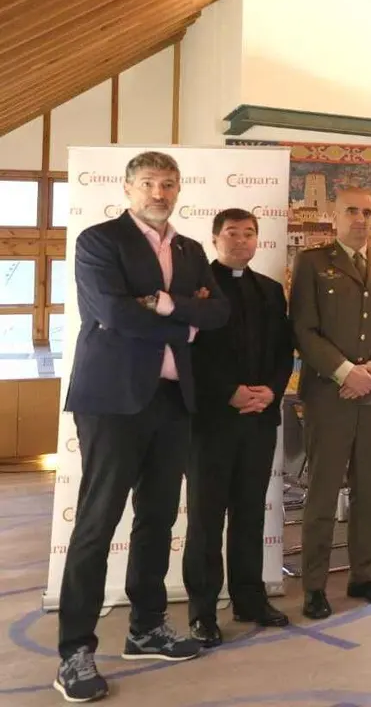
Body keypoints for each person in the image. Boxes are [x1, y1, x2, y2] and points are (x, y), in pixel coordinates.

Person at [57, 151, 229, 702]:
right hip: (112, 401)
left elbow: (218, 312)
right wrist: (183, 312)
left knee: (157, 519)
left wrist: (160, 303)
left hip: (174, 398)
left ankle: (146, 626)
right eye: (150, 183)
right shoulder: (99, 241)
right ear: (129, 187)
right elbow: (113, 312)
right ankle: (74, 652)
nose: (160, 192)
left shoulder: (191, 248)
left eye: (169, 183)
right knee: (97, 522)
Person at [290, 186, 371, 618]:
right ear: (333, 216)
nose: (360, 218)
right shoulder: (313, 263)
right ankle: (315, 586)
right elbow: (303, 329)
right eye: (351, 211)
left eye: (367, 211)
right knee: (323, 493)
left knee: (367, 491)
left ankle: (364, 575)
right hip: (329, 395)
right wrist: (346, 373)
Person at [184, 208, 294, 648]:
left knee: (250, 513)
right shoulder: (195, 290)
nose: (241, 241)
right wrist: (229, 392)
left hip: (259, 419)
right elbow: (191, 355)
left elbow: (285, 351)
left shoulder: (269, 290)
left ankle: (249, 598)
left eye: (249, 234)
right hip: (212, 420)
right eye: (232, 233)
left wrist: (271, 389)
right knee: (207, 519)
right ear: (215, 239)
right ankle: (203, 612)